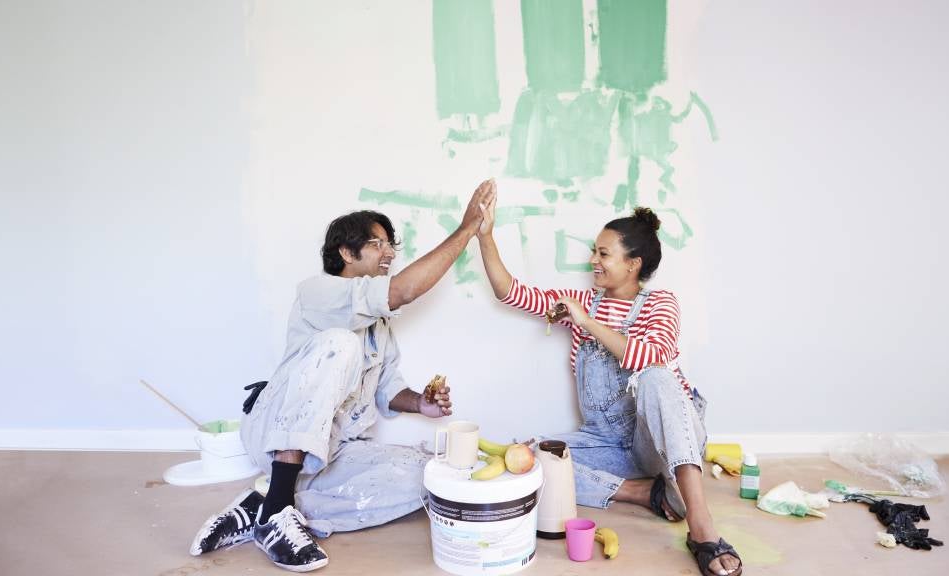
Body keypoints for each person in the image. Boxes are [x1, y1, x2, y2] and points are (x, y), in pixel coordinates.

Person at [189, 180, 497, 572]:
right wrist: (467, 228)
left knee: (429, 477)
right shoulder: (317, 292)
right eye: (377, 244)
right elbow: (400, 292)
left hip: (337, 448)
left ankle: (263, 507)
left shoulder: (379, 325)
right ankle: (280, 504)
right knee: (340, 343)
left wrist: (419, 402)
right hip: (275, 435)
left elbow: (389, 389)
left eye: (391, 245)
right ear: (346, 253)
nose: (389, 253)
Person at [476, 190, 743, 576]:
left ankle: (701, 527)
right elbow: (512, 293)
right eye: (594, 252)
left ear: (633, 264)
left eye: (603, 254)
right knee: (534, 458)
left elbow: (650, 356)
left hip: (659, 441)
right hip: (606, 442)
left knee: (655, 377)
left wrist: (586, 323)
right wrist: (485, 236)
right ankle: (646, 493)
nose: (592, 261)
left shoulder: (660, 303)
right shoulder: (582, 300)